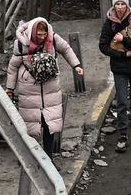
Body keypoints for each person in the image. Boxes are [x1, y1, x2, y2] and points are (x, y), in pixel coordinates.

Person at [6, 16, 83, 156]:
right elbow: (13, 67)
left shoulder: (52, 40)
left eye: (44, 34)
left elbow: (66, 49)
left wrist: (76, 65)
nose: (42, 37)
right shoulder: (21, 45)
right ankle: (30, 157)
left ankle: (48, 157)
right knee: (30, 125)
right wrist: (10, 89)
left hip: (50, 89)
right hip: (29, 90)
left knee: (49, 125)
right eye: (39, 34)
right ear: (32, 32)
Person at [100, 0, 131, 148]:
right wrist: (121, 54)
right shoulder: (109, 23)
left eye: (123, 4)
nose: (120, 7)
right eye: (117, 4)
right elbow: (103, 46)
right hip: (119, 67)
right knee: (121, 100)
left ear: (127, 5)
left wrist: (124, 40)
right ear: (114, 5)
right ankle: (122, 134)